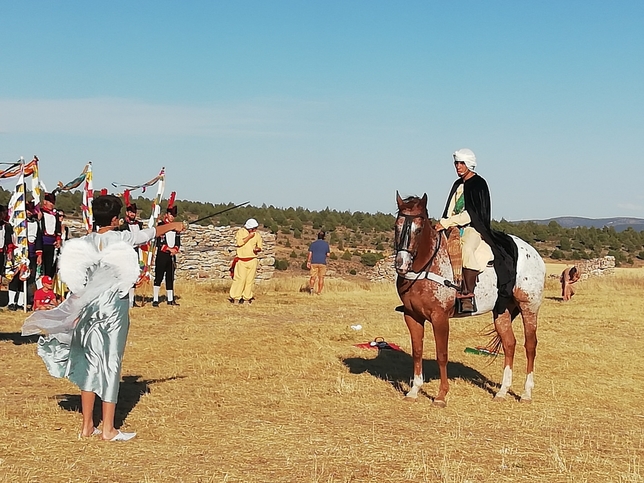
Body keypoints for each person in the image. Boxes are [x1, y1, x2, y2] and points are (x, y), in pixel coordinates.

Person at [22, 194, 185, 441]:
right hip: (113, 309)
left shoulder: (84, 242)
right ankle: (108, 429)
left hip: (87, 308)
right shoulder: (122, 238)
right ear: (115, 219)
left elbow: (77, 280)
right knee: (110, 362)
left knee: (88, 361)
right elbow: (150, 233)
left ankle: (87, 426)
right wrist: (173, 226)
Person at [435, 148, 517, 314]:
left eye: (461, 163)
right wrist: (445, 223)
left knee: (466, 249)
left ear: (469, 164)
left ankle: (467, 295)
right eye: (456, 163)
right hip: (451, 227)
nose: (457, 166)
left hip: (472, 228)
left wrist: (448, 222)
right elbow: (450, 209)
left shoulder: (479, 184)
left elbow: (473, 214)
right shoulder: (457, 185)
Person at [7, 201, 41, 311]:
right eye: (27, 210)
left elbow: (38, 241)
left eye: (31, 210)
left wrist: (39, 254)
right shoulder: (17, 223)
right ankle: (12, 302)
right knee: (15, 278)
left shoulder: (36, 223)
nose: (29, 212)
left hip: (31, 253)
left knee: (26, 277)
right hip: (19, 253)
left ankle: (22, 302)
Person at [153, 201, 181, 307]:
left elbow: (178, 241)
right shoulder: (161, 226)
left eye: (174, 215)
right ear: (167, 215)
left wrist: (175, 249)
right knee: (159, 276)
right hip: (162, 254)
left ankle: (170, 299)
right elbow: (159, 242)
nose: (172, 217)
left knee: (170, 277)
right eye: (171, 215)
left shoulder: (176, 228)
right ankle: (155, 299)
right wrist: (169, 249)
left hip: (171, 255)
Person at [229, 218, 263, 304]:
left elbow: (260, 246)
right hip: (241, 260)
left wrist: (257, 249)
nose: (255, 230)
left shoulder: (257, 235)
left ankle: (246, 297)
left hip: (252, 260)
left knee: (249, 280)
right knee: (240, 279)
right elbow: (239, 243)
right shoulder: (241, 232)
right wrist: (249, 237)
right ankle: (236, 297)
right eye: (254, 228)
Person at [120, 199, 144, 307]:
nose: (132, 214)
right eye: (131, 212)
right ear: (127, 213)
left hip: (135, 252)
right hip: (125, 252)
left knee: (134, 275)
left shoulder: (139, 224)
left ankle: (132, 300)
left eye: (134, 212)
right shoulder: (122, 224)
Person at [39, 192, 62, 278]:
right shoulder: (40, 212)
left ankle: (48, 280)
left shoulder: (55, 215)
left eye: (53, 203)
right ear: (45, 202)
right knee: (41, 266)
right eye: (50, 202)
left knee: (50, 265)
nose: (52, 205)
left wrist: (58, 239)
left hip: (51, 244)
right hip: (42, 242)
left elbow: (58, 228)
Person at [0, 204, 15, 307]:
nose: (5, 215)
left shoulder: (6, 226)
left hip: (1, 253)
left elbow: (9, 240)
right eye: (3, 213)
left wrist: (10, 251)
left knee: (0, 277)